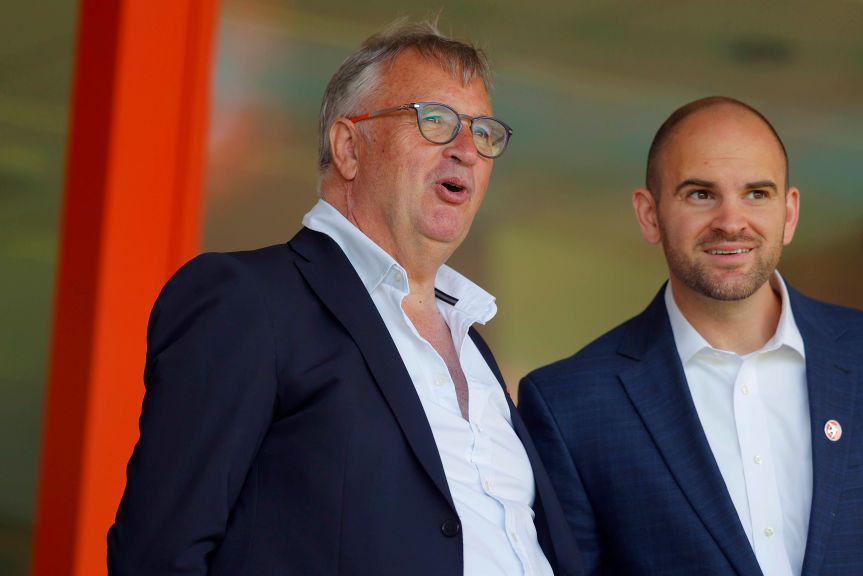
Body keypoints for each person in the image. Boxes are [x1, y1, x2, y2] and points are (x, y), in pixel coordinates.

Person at [108, 20, 582, 576]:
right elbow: (158, 554)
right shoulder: (251, 301)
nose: (466, 151)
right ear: (349, 147)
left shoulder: (474, 346)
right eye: (435, 121)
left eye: (483, 133)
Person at [517, 96, 863, 576]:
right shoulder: (570, 405)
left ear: (789, 213)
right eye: (700, 194)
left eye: (756, 194)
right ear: (649, 214)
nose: (730, 221)